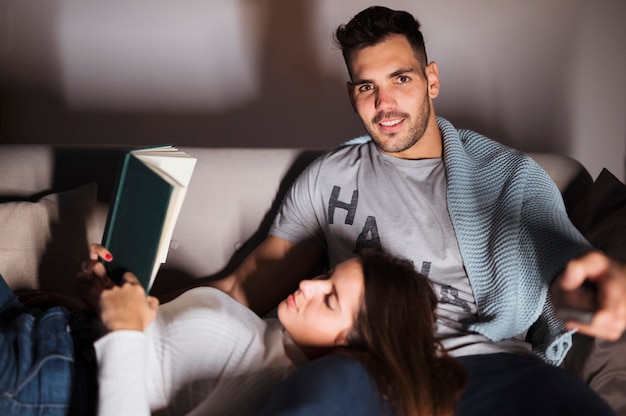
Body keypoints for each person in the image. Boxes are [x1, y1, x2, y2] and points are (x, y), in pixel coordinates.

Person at [205, 6, 626, 416]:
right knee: (309, 405)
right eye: (367, 86)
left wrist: (596, 296)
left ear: (431, 80)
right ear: (352, 96)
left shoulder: (509, 176)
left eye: (400, 79)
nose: (384, 104)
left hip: (489, 362)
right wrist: (150, 303)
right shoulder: (328, 178)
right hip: (369, 359)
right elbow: (246, 285)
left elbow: (563, 278)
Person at [0, 245, 465, 415]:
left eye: (329, 298)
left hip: (47, 378)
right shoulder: (278, 333)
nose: (306, 284)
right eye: (325, 277)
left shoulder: (272, 379)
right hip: (52, 332)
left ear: (354, 343)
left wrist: (123, 331)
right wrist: (96, 309)